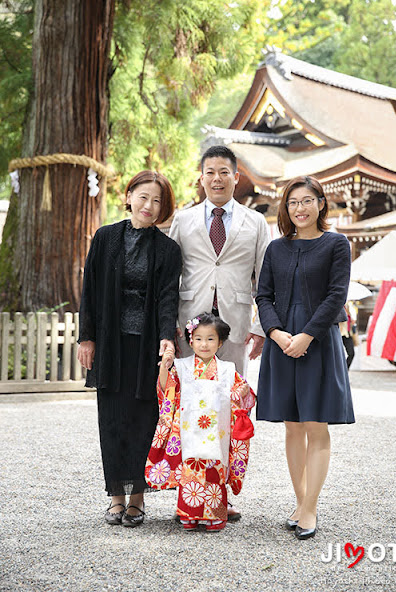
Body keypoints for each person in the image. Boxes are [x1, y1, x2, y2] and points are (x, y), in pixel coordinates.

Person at [169, 144, 269, 521]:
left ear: (236, 177)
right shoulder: (184, 219)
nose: (216, 178)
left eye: (224, 172)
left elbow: (265, 279)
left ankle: (222, 493)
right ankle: (190, 493)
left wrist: (259, 327)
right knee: (190, 408)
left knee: (227, 407)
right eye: (209, 171)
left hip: (236, 327)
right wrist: (171, 324)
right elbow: (171, 276)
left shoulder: (255, 222)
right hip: (189, 327)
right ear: (201, 177)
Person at [77, 171, 181, 527]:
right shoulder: (105, 238)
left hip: (146, 346)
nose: (149, 206)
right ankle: (115, 498)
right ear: (129, 195)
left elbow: (168, 298)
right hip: (109, 342)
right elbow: (89, 289)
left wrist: (167, 337)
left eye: (157, 201)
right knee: (111, 418)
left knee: (143, 419)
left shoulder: (168, 249)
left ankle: (137, 498)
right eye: (143, 197)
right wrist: (85, 337)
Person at [256, 175, 355, 540]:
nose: (300, 208)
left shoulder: (337, 244)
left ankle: (310, 509)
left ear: (321, 204)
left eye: (307, 201)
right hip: (281, 342)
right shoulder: (276, 248)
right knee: (292, 426)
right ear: (286, 207)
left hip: (319, 340)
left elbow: (336, 295)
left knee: (316, 425)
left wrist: (306, 335)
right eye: (293, 202)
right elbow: (263, 296)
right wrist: (279, 334)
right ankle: (300, 502)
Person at [145, 312, 255, 531]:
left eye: (210, 339)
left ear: (220, 342)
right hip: (188, 429)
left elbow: (241, 396)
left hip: (217, 431)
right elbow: (168, 389)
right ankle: (189, 514)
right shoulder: (182, 366)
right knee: (191, 470)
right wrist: (164, 367)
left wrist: (242, 392)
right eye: (198, 339)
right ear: (191, 341)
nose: (204, 344)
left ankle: (215, 516)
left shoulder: (227, 369)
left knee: (214, 470)